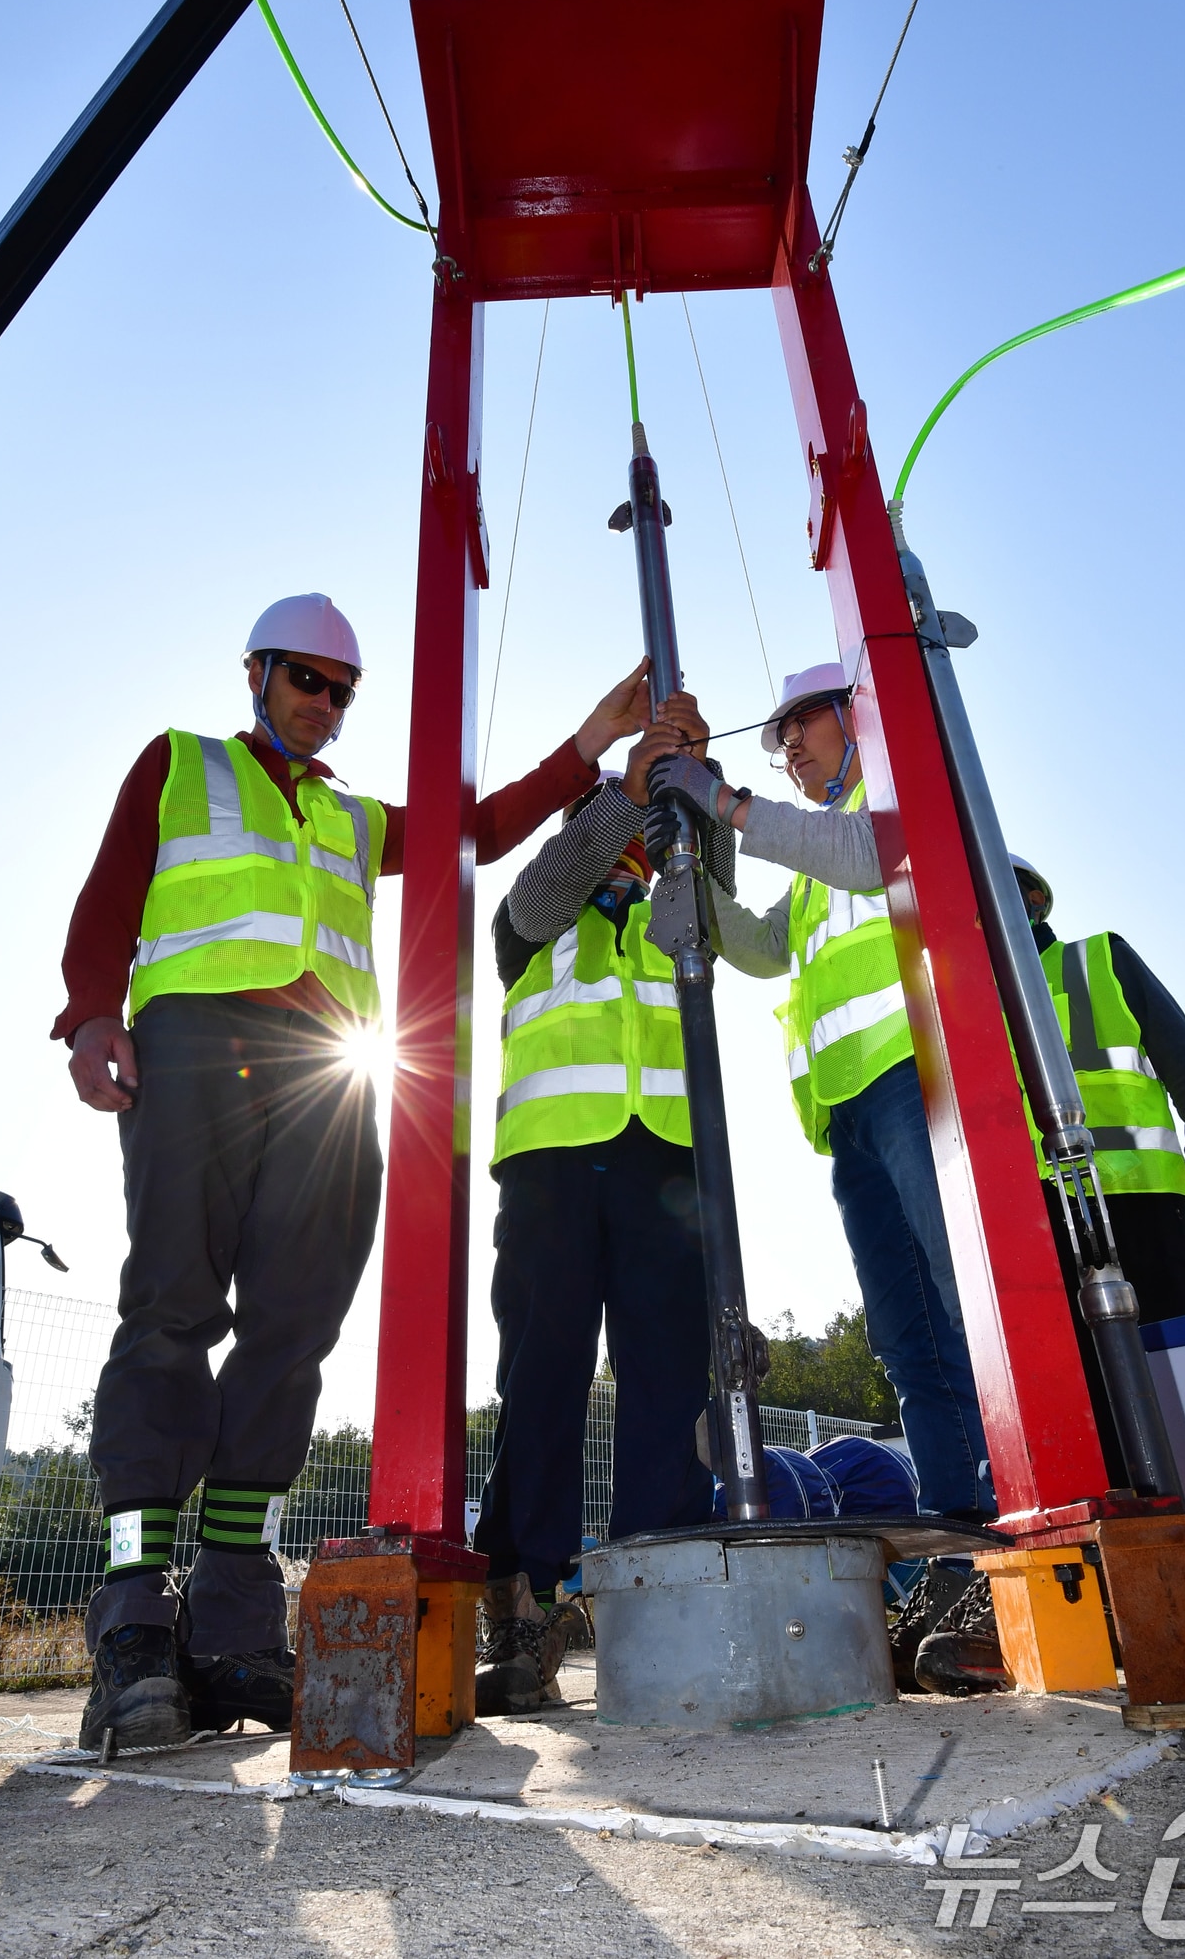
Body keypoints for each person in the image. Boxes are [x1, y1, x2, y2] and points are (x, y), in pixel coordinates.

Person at [54, 592, 654, 1751]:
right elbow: (107, 896)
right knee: (171, 1310)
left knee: (292, 1333)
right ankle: (133, 1614)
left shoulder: (350, 820)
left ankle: (230, 1621)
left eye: (341, 692)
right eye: (306, 682)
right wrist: (90, 1017)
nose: (324, 707)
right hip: (192, 1050)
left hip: (327, 1075)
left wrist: (589, 747)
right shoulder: (181, 765)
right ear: (256, 673)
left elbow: (474, 830)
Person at [648, 663, 995, 1523]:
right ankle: (960, 1528)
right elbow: (769, 948)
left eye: (802, 722)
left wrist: (721, 801)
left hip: (926, 1083)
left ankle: (1024, 1499)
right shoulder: (811, 863)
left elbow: (876, 856)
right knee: (907, 1336)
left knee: (971, 1305)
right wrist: (690, 883)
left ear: (855, 713)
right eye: (780, 740)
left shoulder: (897, 791)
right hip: (852, 1115)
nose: (789, 746)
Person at [473, 692, 727, 1714]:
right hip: (550, 1161)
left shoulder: (673, 902)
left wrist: (693, 797)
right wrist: (622, 794)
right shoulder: (533, 920)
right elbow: (535, 899)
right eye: (597, 824)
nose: (616, 840)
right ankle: (526, 1605)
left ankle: (655, 1590)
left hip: (664, 1164)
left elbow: (713, 909)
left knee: (668, 1376)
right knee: (542, 1372)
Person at [1011, 853, 1185, 1482]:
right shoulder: (974, 998)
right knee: (1083, 1379)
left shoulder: (1099, 959)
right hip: (1041, 1216)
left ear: (1036, 901)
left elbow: (1184, 1060)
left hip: (1139, 1201)